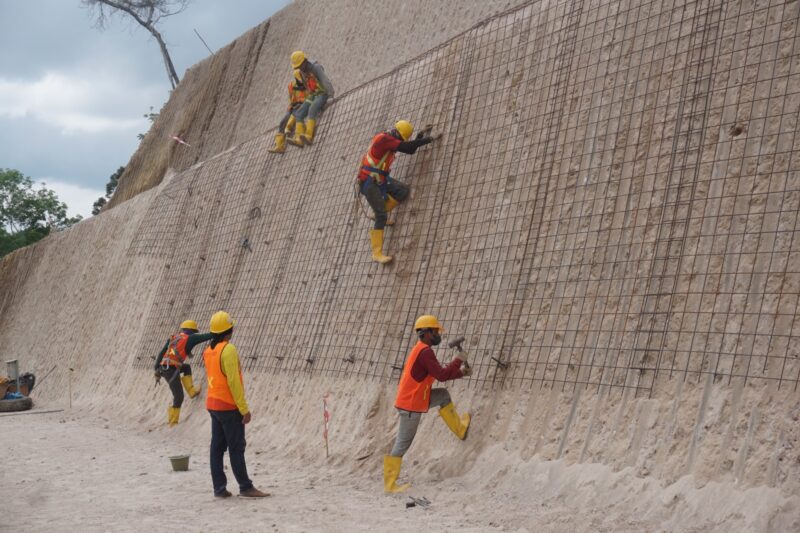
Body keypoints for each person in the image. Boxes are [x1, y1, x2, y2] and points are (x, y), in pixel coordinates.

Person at [384, 315, 472, 493]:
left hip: (417, 397)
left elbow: (439, 372)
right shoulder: (425, 352)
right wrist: (459, 361)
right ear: (426, 332)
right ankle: (390, 485)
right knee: (403, 443)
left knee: (443, 396)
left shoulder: (422, 349)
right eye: (436, 331)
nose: (438, 334)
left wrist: (461, 372)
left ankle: (460, 429)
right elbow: (441, 375)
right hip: (411, 404)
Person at [202, 311, 269, 498]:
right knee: (236, 448)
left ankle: (219, 488)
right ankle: (246, 487)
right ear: (229, 330)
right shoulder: (228, 349)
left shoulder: (208, 350)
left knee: (216, 448)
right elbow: (234, 383)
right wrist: (244, 409)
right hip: (228, 406)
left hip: (213, 404)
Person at [358, 120, 440, 264]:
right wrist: (429, 139)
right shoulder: (383, 139)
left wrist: (420, 136)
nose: (401, 142)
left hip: (379, 179)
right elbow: (408, 148)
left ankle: (380, 212)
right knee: (381, 216)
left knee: (402, 191)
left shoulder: (389, 139)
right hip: (368, 182)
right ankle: (377, 253)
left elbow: (409, 149)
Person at [154, 319, 212, 426]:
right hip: (170, 370)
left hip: (164, 368)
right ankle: (173, 421)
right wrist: (218, 332)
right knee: (179, 396)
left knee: (186, 368)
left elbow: (162, 352)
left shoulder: (173, 338)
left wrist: (156, 368)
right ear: (192, 331)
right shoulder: (190, 338)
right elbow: (206, 336)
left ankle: (191, 391)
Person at [287, 50, 334, 146]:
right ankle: (299, 139)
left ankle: (308, 136)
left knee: (312, 109)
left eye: (299, 66)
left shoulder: (316, 68)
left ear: (304, 61)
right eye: (297, 67)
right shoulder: (302, 72)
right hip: (313, 94)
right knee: (299, 113)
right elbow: (307, 86)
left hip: (322, 93)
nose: (298, 68)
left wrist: (330, 96)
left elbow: (325, 81)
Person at [268, 69, 312, 154]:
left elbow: (311, 97)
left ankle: (296, 136)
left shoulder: (308, 84)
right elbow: (291, 98)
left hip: (304, 106)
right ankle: (279, 145)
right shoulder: (291, 86)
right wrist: (291, 105)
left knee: (296, 115)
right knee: (283, 121)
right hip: (294, 106)